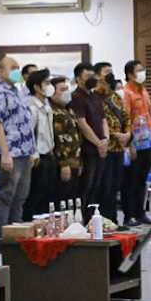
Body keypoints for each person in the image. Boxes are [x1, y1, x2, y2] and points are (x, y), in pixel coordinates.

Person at [0, 56, 37, 226]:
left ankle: (16, 232)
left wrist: (30, 151)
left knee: (20, 197)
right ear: (1, 71)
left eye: (18, 68)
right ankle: (2, 234)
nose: (17, 71)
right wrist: (5, 153)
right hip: (9, 153)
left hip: (24, 152)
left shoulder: (18, 91)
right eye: (12, 67)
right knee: (6, 196)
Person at [70, 62, 109, 223]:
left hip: (101, 147)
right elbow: (82, 123)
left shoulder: (95, 96)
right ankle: (82, 221)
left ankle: (93, 219)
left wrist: (105, 139)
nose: (91, 79)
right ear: (78, 79)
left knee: (96, 186)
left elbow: (103, 119)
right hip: (88, 148)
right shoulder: (76, 97)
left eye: (92, 76)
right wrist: (98, 143)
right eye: (87, 76)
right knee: (86, 186)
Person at [94, 62, 130, 224]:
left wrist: (127, 134)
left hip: (119, 148)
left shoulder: (116, 96)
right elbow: (98, 123)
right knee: (105, 187)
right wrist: (116, 135)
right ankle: (104, 221)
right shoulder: (95, 97)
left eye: (111, 71)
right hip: (105, 148)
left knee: (115, 186)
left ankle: (114, 221)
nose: (110, 74)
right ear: (97, 76)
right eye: (106, 71)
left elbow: (126, 117)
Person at [121, 60, 151, 224]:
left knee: (142, 179)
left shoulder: (144, 91)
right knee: (130, 181)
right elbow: (125, 119)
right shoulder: (127, 93)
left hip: (147, 142)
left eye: (143, 70)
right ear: (130, 74)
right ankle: (129, 215)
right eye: (138, 70)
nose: (142, 73)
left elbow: (149, 115)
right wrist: (129, 145)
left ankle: (141, 213)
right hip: (134, 143)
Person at [23, 69, 56, 220]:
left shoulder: (47, 106)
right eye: (47, 83)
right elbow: (28, 132)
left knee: (47, 194)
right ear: (36, 87)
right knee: (36, 194)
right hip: (38, 157)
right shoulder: (31, 107)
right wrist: (33, 153)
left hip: (49, 153)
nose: (50, 86)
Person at [49, 76, 82, 207]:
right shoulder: (54, 112)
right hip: (63, 163)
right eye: (62, 89)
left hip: (75, 161)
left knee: (71, 200)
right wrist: (64, 164)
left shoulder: (69, 111)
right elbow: (58, 139)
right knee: (61, 200)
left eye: (67, 89)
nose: (66, 92)